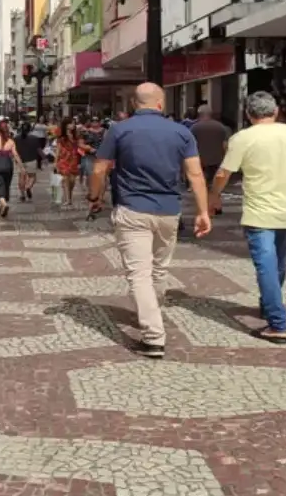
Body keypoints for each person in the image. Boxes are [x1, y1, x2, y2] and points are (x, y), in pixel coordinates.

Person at [87, 83, 211, 358]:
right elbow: (195, 174)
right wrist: (203, 211)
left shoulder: (119, 130)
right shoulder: (181, 132)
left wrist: (94, 196)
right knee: (159, 269)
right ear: (160, 103)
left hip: (132, 209)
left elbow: (99, 168)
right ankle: (152, 312)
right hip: (169, 210)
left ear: (134, 103)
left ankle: (154, 336)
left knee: (139, 274)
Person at [207, 92, 286, 345]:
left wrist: (214, 196)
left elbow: (223, 173)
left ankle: (277, 323)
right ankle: (269, 304)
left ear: (248, 114)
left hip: (259, 214)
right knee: (278, 264)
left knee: (266, 266)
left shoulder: (242, 138)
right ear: (275, 111)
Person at [190, 104, 231, 197]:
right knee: (215, 185)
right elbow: (225, 145)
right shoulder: (221, 127)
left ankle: (202, 201)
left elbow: (190, 145)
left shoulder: (194, 128)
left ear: (199, 114)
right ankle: (214, 201)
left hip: (200, 160)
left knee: (201, 185)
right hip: (217, 160)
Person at [0, 119, 23, 218]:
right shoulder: (11, 141)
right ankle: (2, 207)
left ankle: (4, 204)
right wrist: (22, 167)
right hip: (8, 164)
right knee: (6, 185)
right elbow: (15, 155)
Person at [53, 118, 86, 207]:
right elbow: (58, 149)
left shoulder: (76, 135)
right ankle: (68, 200)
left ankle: (69, 196)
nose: (73, 125)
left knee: (72, 181)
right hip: (63, 159)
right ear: (66, 125)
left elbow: (79, 146)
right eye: (71, 123)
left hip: (73, 159)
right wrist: (55, 162)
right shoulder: (61, 136)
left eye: (74, 123)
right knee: (65, 179)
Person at [15, 122, 42, 202]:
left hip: (20, 161)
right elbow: (39, 150)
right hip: (31, 160)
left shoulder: (16, 138)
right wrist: (45, 158)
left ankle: (22, 195)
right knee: (32, 177)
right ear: (30, 129)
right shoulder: (34, 138)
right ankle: (28, 187)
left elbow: (14, 150)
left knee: (21, 177)